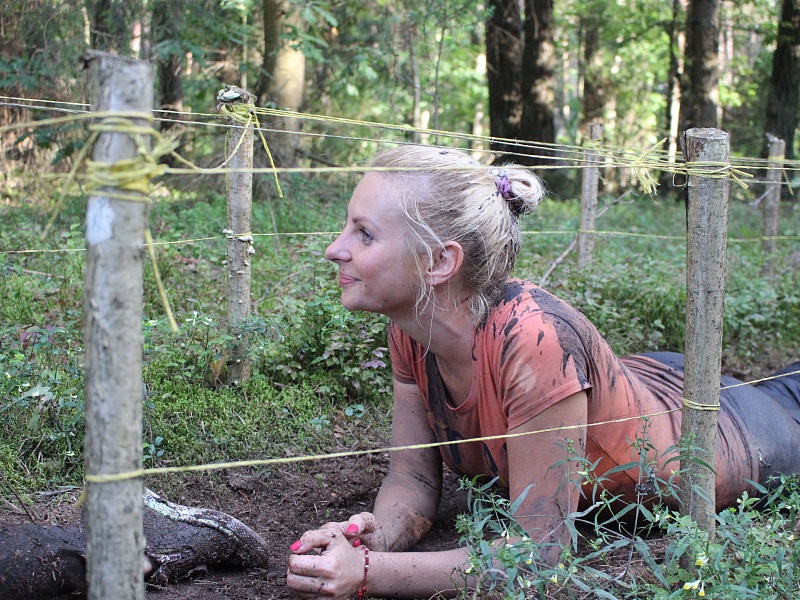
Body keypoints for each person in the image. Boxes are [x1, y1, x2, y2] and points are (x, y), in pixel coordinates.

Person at [285, 145, 800, 599]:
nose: (336, 248)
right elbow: (413, 478)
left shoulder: (533, 341)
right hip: (647, 377)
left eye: (365, 234)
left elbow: (540, 556)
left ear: (440, 263)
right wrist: (374, 536)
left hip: (735, 433)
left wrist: (371, 574)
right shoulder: (410, 330)